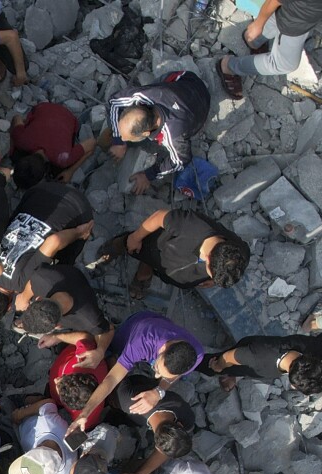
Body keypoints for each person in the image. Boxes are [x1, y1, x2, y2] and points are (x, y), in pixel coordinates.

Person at [69, 311, 204, 434]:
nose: (156, 375)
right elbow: (112, 379)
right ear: (163, 348)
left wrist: (158, 392)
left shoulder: (195, 356)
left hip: (162, 327)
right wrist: (85, 413)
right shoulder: (142, 341)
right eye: (157, 368)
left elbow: (174, 377)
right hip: (135, 328)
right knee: (113, 349)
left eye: (163, 375)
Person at [103, 70, 211, 194]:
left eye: (126, 138)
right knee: (158, 85)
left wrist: (149, 174)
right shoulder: (148, 94)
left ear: (146, 134)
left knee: (159, 147)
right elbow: (114, 101)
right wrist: (117, 140)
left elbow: (181, 161)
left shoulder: (174, 135)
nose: (122, 138)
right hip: (187, 84)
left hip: (201, 105)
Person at [102, 208, 249, 298]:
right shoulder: (191, 226)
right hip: (159, 246)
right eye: (210, 273)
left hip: (176, 273)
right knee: (135, 247)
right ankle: (119, 245)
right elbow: (159, 217)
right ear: (208, 258)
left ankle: (147, 269)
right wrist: (135, 237)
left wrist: (213, 280)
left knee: (157, 269)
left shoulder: (241, 254)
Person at [215, 0, 322, 98]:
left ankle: (253, 40)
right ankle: (229, 66)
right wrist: (258, 24)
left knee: (277, 19)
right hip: (295, 23)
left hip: (300, 13)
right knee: (284, 64)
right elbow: (273, 2)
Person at [0, 181, 94, 283]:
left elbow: (54, 241)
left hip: (76, 206)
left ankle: (63, 275)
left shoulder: (20, 284)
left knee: (64, 262)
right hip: (40, 190)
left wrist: (79, 233)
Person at [203, 332, 322, 394]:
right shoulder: (256, 357)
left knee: (245, 370)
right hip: (246, 352)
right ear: (294, 385)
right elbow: (229, 356)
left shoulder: (316, 350)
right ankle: (197, 364)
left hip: (259, 352)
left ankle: (232, 374)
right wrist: (218, 366)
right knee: (210, 365)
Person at [10, 102, 97, 186]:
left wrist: (70, 171)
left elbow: (92, 142)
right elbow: (17, 118)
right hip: (44, 107)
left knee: (59, 170)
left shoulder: (63, 158)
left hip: (67, 116)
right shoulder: (21, 140)